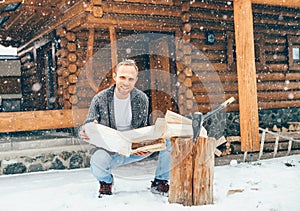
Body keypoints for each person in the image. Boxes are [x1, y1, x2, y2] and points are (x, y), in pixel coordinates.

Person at [79, 59, 171, 197]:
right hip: (111, 149)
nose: (126, 82)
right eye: (122, 77)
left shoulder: (141, 99)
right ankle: (106, 182)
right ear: (115, 76)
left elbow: (142, 128)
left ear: (136, 80)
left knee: (168, 142)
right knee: (96, 163)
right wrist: (85, 131)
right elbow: (89, 121)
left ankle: (160, 182)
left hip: (133, 147)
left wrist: (142, 146)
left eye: (130, 79)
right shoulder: (100, 98)